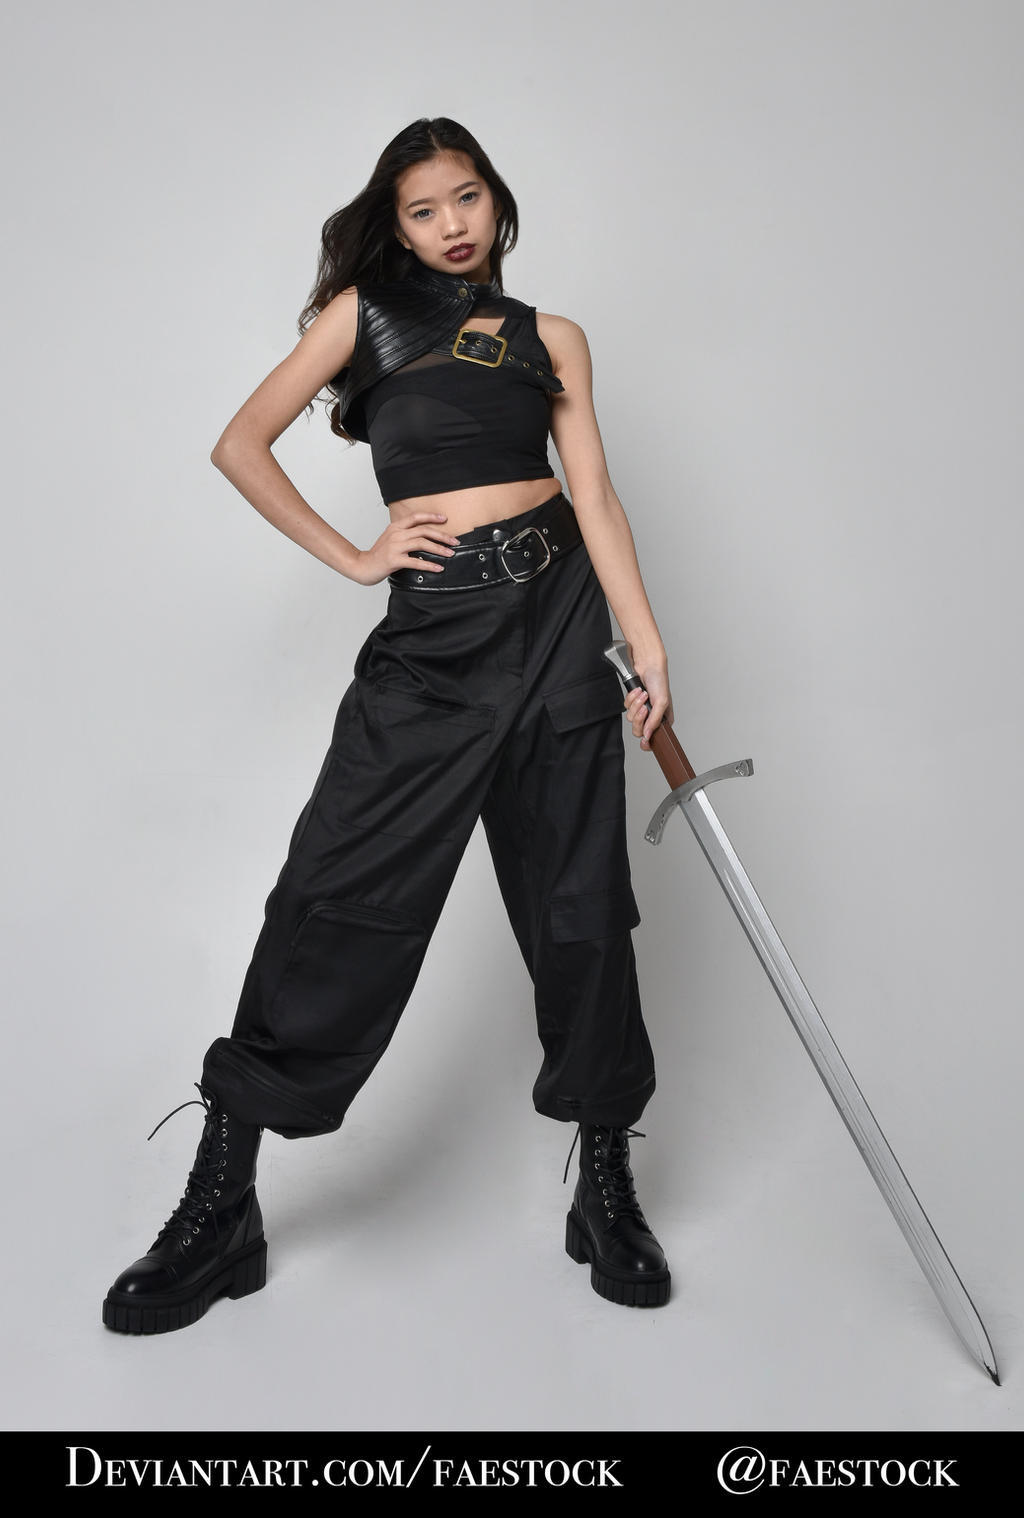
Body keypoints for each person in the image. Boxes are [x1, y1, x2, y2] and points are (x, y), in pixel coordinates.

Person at [102, 117, 675, 1335]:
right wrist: (356, 556)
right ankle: (221, 1203)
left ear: (496, 200)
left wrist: (646, 639)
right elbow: (239, 444)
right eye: (423, 210)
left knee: (579, 905)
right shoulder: (361, 315)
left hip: (562, 622)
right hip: (433, 643)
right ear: (397, 226)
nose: (451, 224)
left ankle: (604, 1181)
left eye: (466, 197)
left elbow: (594, 492)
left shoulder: (552, 337)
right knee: (335, 892)